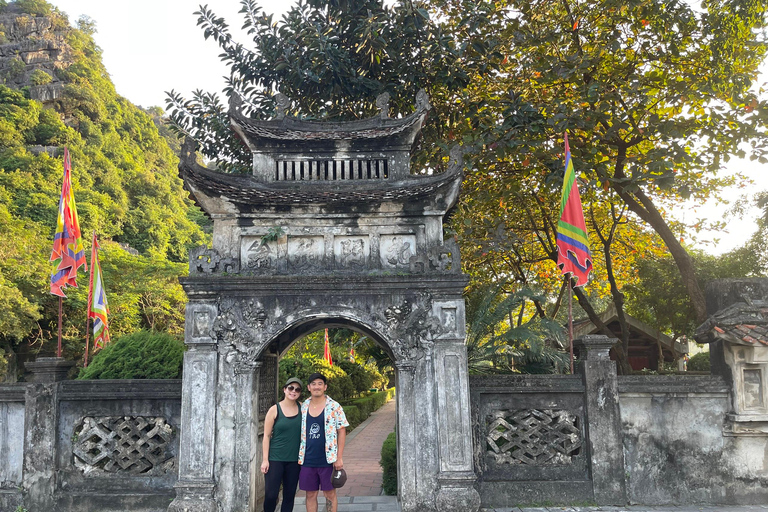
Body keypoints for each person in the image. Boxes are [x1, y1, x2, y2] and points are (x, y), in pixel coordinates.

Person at [298, 372, 349, 512]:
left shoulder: (334, 406)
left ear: (325, 387)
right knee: (310, 494)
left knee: (330, 494)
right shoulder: (303, 407)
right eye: (313, 384)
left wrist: (339, 457)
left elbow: (342, 430)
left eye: (320, 384)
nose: (316, 387)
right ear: (308, 387)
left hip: (328, 459)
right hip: (307, 458)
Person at [261, 377, 303, 512]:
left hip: (294, 460)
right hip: (275, 459)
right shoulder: (274, 410)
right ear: (285, 390)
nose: (293, 391)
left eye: (297, 389)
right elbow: (266, 436)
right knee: (271, 495)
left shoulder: (303, 408)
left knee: (289, 496)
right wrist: (265, 460)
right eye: (290, 388)